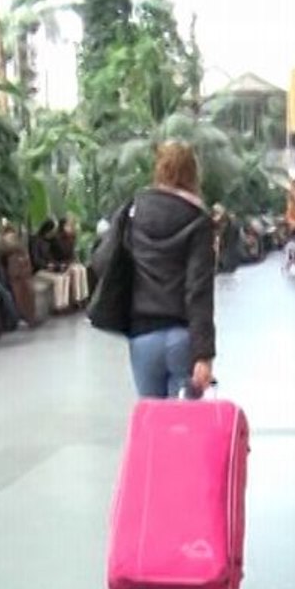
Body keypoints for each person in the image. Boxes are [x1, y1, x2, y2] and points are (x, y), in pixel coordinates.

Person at [93, 140, 216, 399]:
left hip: (143, 337)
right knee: (181, 429)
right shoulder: (198, 220)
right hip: (183, 339)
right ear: (193, 173)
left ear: (158, 170)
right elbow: (199, 290)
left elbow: (102, 260)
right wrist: (203, 354)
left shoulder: (133, 211)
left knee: (153, 427)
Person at [50, 216, 90, 306]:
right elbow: (62, 253)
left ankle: (83, 296)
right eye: (68, 225)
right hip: (61, 263)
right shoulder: (57, 239)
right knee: (76, 271)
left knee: (82, 269)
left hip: (70, 262)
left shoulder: (71, 237)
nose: (70, 227)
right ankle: (76, 298)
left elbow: (72, 253)